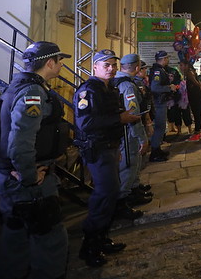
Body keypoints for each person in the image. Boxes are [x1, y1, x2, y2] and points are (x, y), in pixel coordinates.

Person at [0, 41, 70, 279]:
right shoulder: (32, 93)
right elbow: (21, 140)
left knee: (15, 233)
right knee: (50, 237)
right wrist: (28, 175)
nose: (61, 65)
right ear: (50, 63)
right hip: (28, 182)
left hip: (8, 177)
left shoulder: (17, 86)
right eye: (59, 60)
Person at [73, 49, 141, 267]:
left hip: (109, 147)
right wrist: (119, 118)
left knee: (110, 195)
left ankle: (100, 238)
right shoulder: (88, 91)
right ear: (95, 67)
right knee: (105, 195)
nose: (111, 69)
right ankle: (90, 245)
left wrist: (117, 144)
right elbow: (85, 123)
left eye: (113, 64)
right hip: (97, 149)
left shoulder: (108, 88)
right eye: (106, 65)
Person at [112, 54, 152, 209]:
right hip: (129, 132)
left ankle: (134, 190)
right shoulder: (128, 86)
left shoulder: (117, 81)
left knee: (134, 164)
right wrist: (142, 137)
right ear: (136, 68)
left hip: (124, 130)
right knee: (129, 164)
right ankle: (123, 200)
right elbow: (133, 114)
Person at [148, 51, 176, 161]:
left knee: (161, 127)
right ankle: (154, 152)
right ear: (163, 59)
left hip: (160, 101)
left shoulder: (160, 70)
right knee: (160, 127)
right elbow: (155, 88)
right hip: (159, 102)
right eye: (167, 58)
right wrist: (170, 88)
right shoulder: (157, 71)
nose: (168, 60)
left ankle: (157, 149)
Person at [180, 60, 201, 139]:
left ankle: (197, 131)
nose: (181, 67)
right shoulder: (190, 72)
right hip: (194, 96)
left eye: (182, 65)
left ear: (187, 65)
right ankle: (197, 130)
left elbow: (197, 84)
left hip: (195, 97)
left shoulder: (189, 73)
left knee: (197, 113)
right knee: (196, 114)